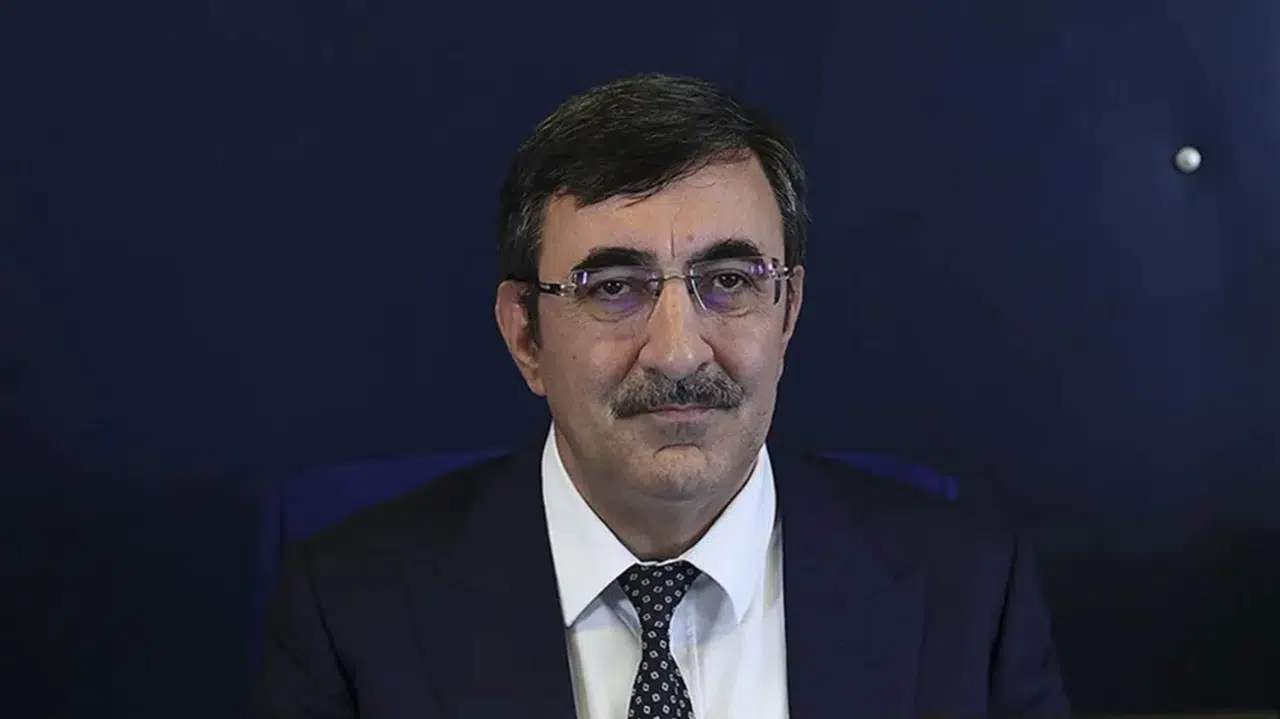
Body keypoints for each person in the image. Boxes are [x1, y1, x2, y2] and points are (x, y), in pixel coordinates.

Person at [250, 73, 1070, 718]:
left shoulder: (971, 595)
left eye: (729, 280)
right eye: (613, 287)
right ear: (526, 334)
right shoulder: (351, 613)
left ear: (787, 310)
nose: (678, 351)